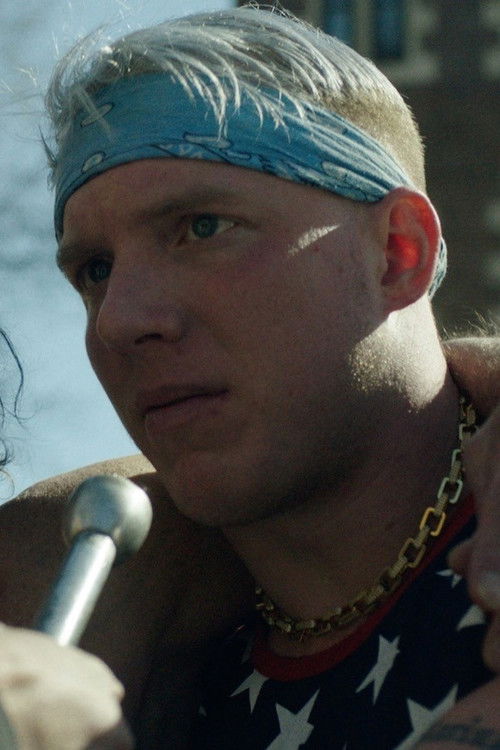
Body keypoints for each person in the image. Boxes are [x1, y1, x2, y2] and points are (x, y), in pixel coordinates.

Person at [0, 5, 499, 748]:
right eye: (95, 270)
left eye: (202, 227)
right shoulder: (129, 653)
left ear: (399, 252)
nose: (119, 320)